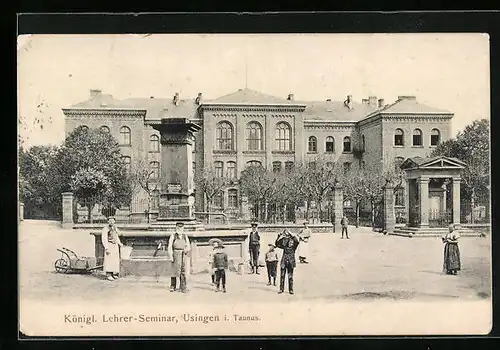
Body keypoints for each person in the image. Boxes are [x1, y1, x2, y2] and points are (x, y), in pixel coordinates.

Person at [167, 222, 191, 293]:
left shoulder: (185, 236)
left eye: (181, 228)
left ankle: (183, 287)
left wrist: (186, 250)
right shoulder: (173, 236)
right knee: (174, 270)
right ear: (176, 228)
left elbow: (188, 246)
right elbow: (170, 247)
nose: (180, 229)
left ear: (183, 228)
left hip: (183, 254)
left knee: (183, 270)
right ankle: (172, 286)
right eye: (178, 228)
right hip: (175, 253)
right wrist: (171, 256)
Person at [275, 229, 300, 295]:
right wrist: (279, 236)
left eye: (292, 243)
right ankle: (281, 289)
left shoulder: (294, 248)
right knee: (282, 276)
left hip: (291, 263)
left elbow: (297, 241)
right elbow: (277, 244)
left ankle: (291, 290)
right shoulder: (284, 247)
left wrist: (291, 234)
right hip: (284, 262)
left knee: (290, 277)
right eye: (289, 243)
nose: (290, 244)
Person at [101, 217, 124, 281]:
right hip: (109, 245)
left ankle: (113, 273)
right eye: (110, 221)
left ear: (114, 221)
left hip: (115, 245)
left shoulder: (115, 228)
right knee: (109, 260)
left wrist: (119, 243)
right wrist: (106, 248)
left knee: (114, 260)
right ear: (108, 221)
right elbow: (104, 239)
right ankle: (108, 274)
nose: (111, 222)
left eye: (112, 221)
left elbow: (116, 236)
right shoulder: (105, 229)